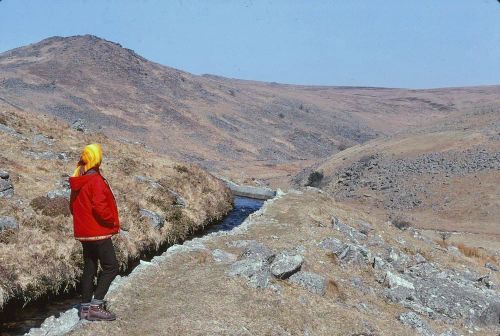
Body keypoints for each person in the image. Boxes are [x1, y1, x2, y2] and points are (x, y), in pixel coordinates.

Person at [69, 143, 120, 321]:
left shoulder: (78, 178)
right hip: (98, 232)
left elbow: (72, 208)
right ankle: (95, 306)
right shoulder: (95, 180)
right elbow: (100, 207)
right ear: (97, 158)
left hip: (84, 233)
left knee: (90, 267)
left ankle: (84, 308)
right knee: (111, 267)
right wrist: (111, 221)